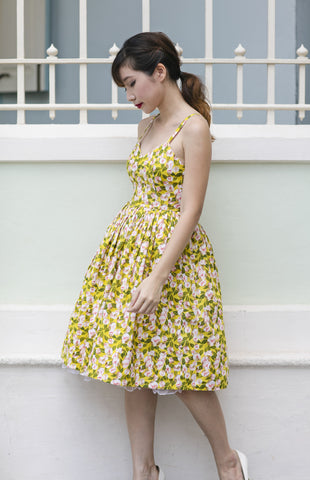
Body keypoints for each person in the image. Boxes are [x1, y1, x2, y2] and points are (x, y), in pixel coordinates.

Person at [61, 31, 249, 480]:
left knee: (183, 368)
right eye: (124, 87)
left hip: (174, 263)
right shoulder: (146, 126)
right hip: (130, 255)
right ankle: (143, 472)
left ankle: (228, 462)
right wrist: (133, 266)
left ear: (159, 72)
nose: (128, 95)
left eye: (131, 84)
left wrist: (158, 275)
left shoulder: (194, 129)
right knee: (134, 364)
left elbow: (192, 209)